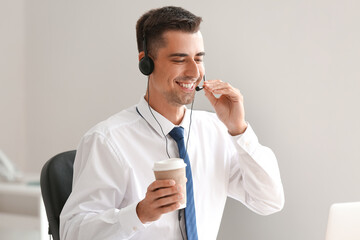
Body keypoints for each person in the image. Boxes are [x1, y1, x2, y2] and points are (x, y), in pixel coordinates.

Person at [60, 6, 284, 240]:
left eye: (198, 58)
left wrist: (239, 130)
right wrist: (138, 214)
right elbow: (71, 233)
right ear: (146, 62)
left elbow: (269, 201)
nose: (194, 71)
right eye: (180, 59)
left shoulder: (216, 131)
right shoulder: (108, 141)